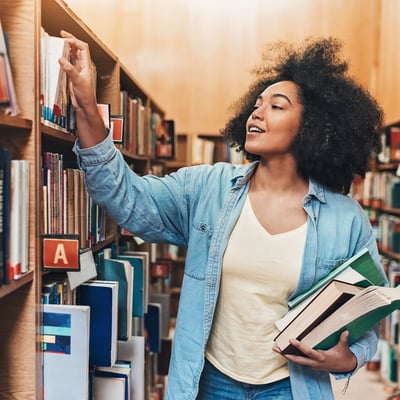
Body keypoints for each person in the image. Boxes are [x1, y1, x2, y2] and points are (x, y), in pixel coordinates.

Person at [59, 31, 388, 400]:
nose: (257, 113)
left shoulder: (347, 220)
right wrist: (87, 106)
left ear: (313, 128)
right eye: (256, 104)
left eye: (276, 106)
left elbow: (368, 313)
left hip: (290, 387)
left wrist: (346, 359)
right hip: (210, 381)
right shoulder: (208, 188)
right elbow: (127, 200)